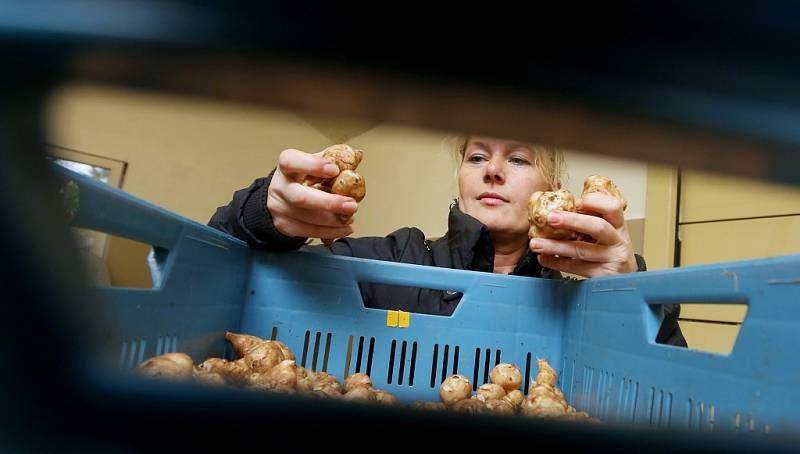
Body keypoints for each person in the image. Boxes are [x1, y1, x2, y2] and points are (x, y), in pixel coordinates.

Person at [209, 136, 686, 346]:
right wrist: (266, 214)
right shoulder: (399, 258)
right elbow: (215, 265)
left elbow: (671, 388)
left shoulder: (583, 289)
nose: (492, 169)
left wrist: (630, 295)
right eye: (477, 155)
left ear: (551, 186)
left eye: (518, 159)